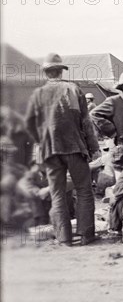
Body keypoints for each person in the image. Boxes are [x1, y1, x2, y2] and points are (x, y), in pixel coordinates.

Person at [24, 53, 98, 245]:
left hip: (50, 151)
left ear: (46, 72)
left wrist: (41, 145)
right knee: (83, 191)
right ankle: (86, 235)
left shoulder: (38, 94)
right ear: (61, 70)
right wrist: (94, 147)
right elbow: (86, 122)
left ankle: (64, 239)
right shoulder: (73, 89)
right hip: (74, 147)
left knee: (57, 195)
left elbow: (30, 126)